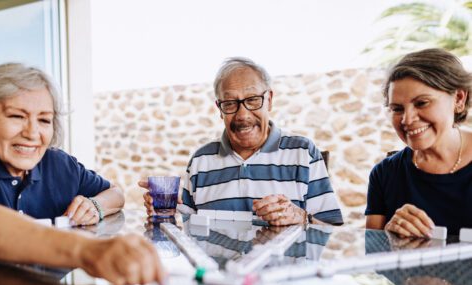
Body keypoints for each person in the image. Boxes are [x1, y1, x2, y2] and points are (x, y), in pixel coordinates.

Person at [0, 63, 164, 285]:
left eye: (44, 120)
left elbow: (116, 194)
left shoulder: (57, 163)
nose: (32, 132)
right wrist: (88, 250)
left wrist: (96, 205)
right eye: (16, 116)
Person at [141, 57, 343, 226]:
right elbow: (187, 226)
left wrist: (300, 217)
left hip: (281, 273)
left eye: (253, 99)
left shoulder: (303, 153)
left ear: (269, 99)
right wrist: (165, 212)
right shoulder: (201, 160)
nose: (242, 115)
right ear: (220, 109)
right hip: (220, 273)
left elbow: (334, 231)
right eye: (230, 103)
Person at [366, 48, 472, 237]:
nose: (407, 119)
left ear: (458, 98)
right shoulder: (384, 174)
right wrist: (387, 239)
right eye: (397, 109)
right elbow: (372, 257)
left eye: (422, 103)